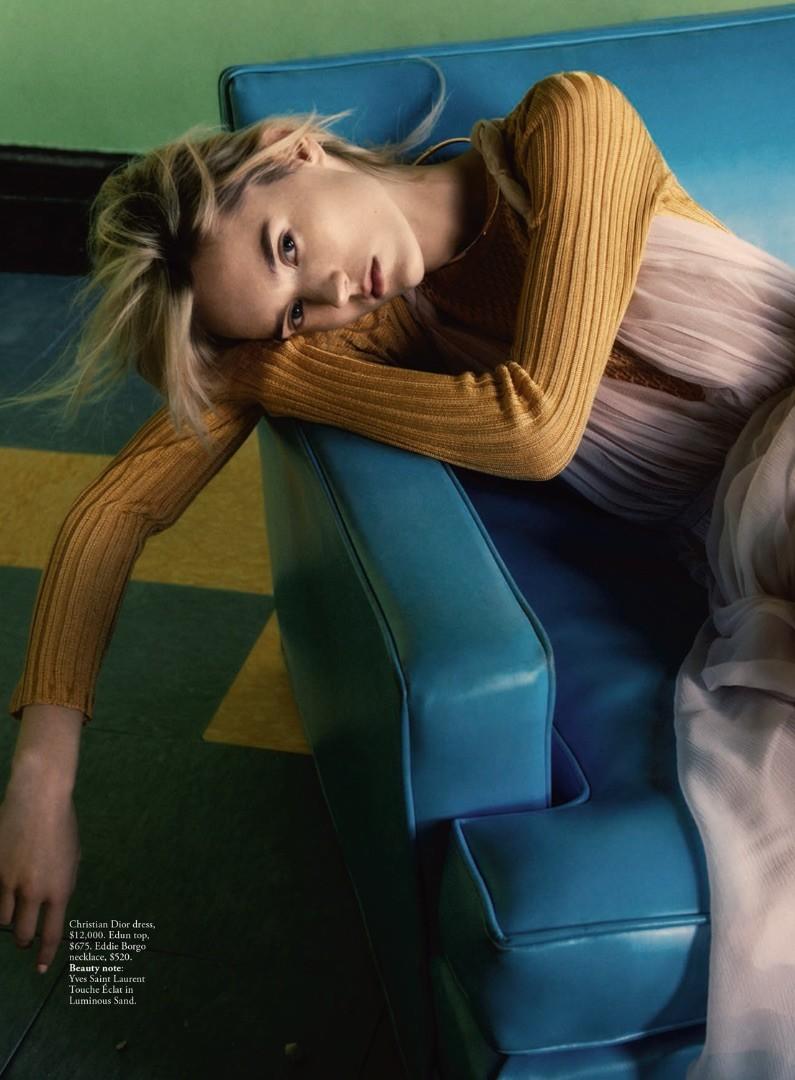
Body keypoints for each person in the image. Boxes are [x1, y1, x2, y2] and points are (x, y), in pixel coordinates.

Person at [0, 67, 793, 1077]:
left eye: (288, 248)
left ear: (292, 148)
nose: (331, 296)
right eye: (290, 315)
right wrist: (43, 777)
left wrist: (271, 366)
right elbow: (117, 508)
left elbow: (536, 427)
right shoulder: (373, 332)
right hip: (747, 545)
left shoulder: (568, 126)